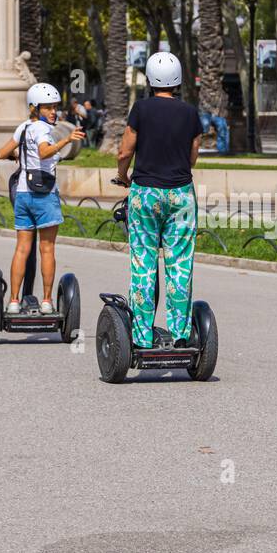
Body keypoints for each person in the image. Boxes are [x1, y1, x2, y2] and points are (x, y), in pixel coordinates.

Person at [115, 52, 203, 348]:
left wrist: (122, 175)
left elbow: (125, 151)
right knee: (180, 265)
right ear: (177, 79)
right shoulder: (190, 113)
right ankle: (180, 335)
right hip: (181, 194)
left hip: (146, 191)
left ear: (151, 79)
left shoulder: (140, 109)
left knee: (144, 262)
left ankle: (141, 336)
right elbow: (193, 154)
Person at [0, 84, 84, 312]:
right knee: (47, 249)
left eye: (55, 107)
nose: (53, 112)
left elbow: (1, 152)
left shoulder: (23, 127)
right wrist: (66, 141)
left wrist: (19, 155)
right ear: (35, 108)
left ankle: (14, 301)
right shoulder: (43, 130)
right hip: (44, 196)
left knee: (22, 249)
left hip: (24, 194)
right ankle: (46, 301)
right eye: (48, 107)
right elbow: (45, 151)